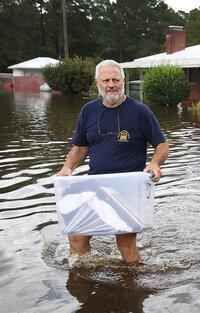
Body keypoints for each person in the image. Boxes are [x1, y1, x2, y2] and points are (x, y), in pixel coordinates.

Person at [57, 59, 169, 263]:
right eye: (106, 80)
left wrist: (154, 163)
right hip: (94, 186)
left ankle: (133, 282)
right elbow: (81, 147)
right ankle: (84, 277)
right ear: (97, 82)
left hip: (127, 190)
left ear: (123, 81)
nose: (111, 84)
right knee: (76, 235)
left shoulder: (140, 111)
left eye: (115, 79)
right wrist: (67, 168)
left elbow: (161, 145)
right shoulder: (88, 111)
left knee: (125, 244)